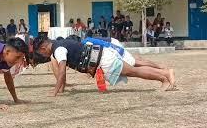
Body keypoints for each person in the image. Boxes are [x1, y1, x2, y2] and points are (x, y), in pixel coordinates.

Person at [32, 36, 176, 97]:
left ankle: (164, 78)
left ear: (43, 47)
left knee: (134, 70)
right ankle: (165, 74)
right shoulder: (60, 46)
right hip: (103, 58)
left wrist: (55, 92)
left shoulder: (58, 50)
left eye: (41, 52)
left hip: (104, 60)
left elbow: (62, 72)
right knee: (134, 69)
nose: (43, 56)